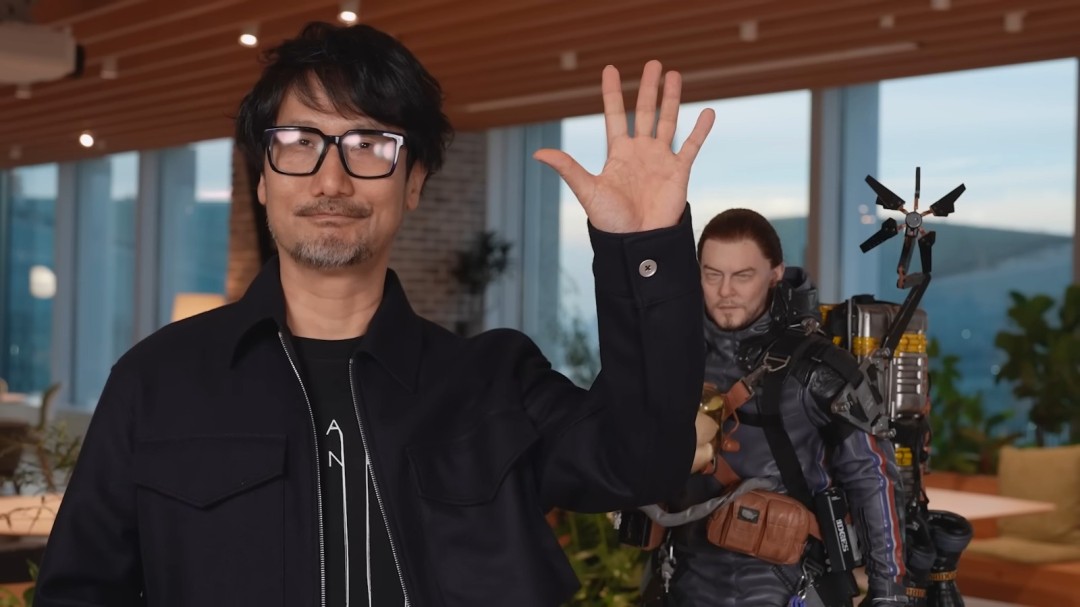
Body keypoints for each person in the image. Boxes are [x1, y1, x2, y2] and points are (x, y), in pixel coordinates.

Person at [34, 21, 719, 607]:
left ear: (413, 181)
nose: (331, 180)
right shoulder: (158, 382)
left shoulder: (492, 381)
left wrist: (643, 249)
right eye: (300, 142)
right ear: (263, 177)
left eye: (369, 145)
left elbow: (642, 460)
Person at [638, 208, 908, 607]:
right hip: (681, 580)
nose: (726, 290)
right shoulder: (672, 359)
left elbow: (870, 476)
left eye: (743, 276)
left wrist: (889, 593)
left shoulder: (817, 369)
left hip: (788, 586)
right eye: (712, 274)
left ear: (775, 274)